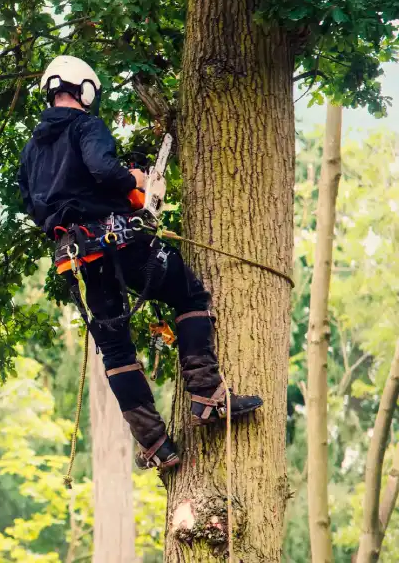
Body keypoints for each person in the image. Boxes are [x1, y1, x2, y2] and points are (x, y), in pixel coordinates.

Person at [17, 55, 262, 470]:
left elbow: (31, 205)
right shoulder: (85, 126)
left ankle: (154, 444)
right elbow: (102, 169)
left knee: (115, 349)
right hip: (117, 242)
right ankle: (207, 395)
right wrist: (138, 180)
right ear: (86, 90)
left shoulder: (31, 150)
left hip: (77, 259)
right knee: (190, 294)